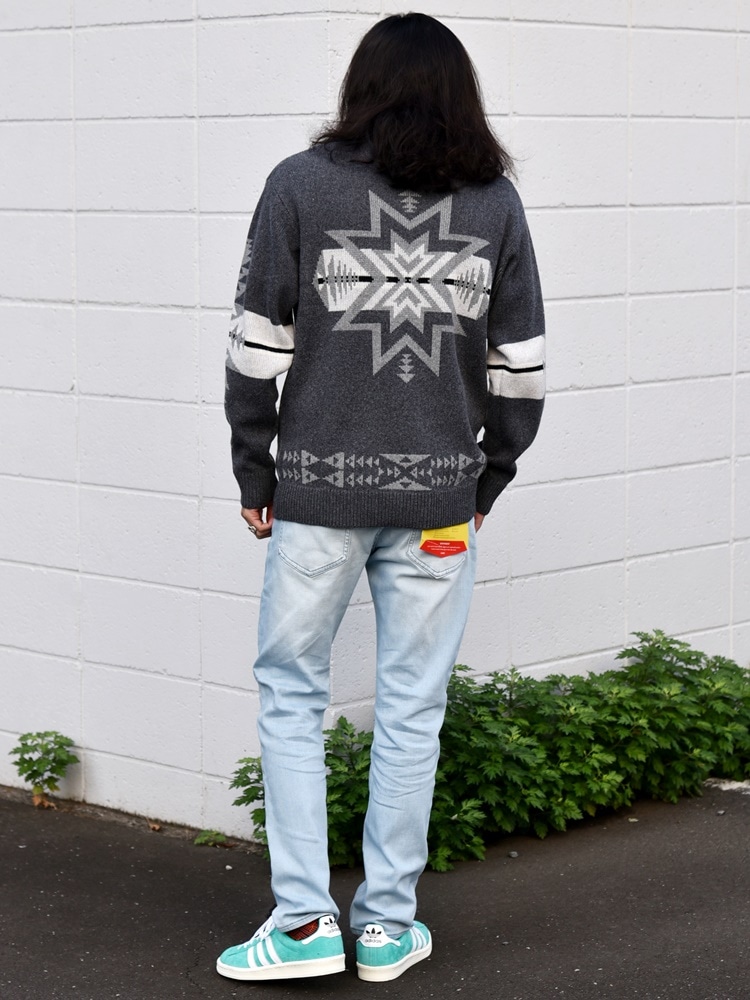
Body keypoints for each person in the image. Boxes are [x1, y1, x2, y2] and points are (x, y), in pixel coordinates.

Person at [216, 11, 545, 984]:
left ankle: (304, 926)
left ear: (360, 88)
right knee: (413, 707)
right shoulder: (495, 206)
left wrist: (255, 468)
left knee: (292, 695)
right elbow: (521, 366)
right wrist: (489, 475)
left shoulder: (298, 187)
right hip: (441, 501)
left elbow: (255, 345)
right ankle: (389, 927)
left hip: (317, 497)